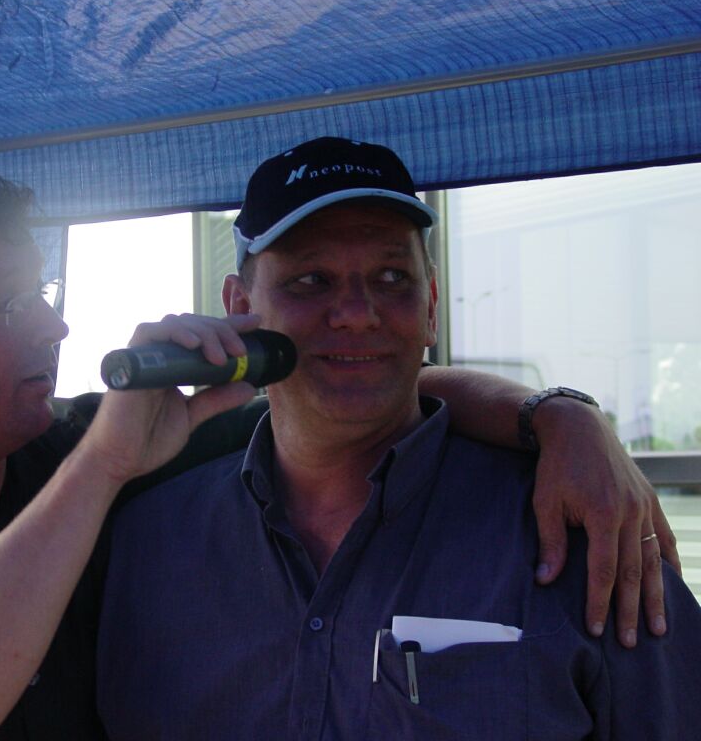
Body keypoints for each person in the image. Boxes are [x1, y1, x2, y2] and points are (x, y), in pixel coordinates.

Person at [0, 168, 677, 741]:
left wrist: (559, 419)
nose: (55, 326)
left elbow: (362, 389)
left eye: (46, 294)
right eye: (11, 305)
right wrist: (98, 473)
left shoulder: (94, 446)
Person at [96, 137, 701, 739]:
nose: (357, 312)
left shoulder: (585, 535)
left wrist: (566, 416)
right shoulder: (146, 544)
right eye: (311, 279)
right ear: (238, 304)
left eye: (391, 277)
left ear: (431, 304)